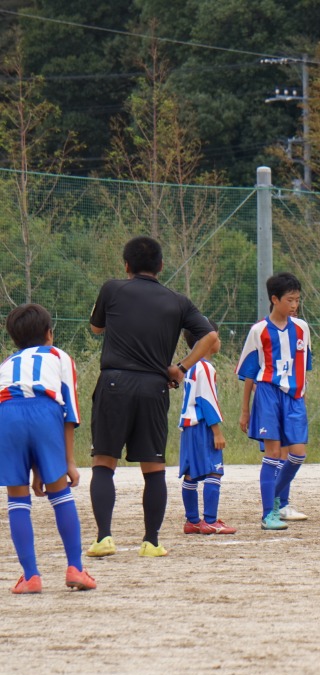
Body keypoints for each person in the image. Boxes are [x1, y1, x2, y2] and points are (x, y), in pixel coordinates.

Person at [86, 236, 219, 559]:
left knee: (104, 461)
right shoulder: (178, 301)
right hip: (154, 386)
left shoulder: (112, 289)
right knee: (153, 466)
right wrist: (180, 368)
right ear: (161, 266)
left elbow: (96, 328)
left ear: (126, 265)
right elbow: (210, 337)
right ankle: (151, 542)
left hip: (114, 382)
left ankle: (104, 538)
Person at [1, 304, 95, 594]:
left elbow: (18, 410)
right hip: (45, 411)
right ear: (49, 334)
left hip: (6, 413)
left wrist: (34, 467)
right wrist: (68, 461)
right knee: (60, 492)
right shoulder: (59, 356)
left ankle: (31, 577)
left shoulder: (7, 363)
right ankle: (75, 568)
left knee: (17, 498)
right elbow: (70, 412)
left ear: (14, 339)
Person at [237, 272, 313, 532]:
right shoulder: (258, 331)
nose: (294, 305)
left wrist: (301, 396)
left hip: (294, 398)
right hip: (268, 394)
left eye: (297, 300)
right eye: (290, 300)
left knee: (298, 454)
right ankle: (268, 513)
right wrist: (245, 410)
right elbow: (249, 373)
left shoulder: (302, 328)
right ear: (274, 299)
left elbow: (304, 366)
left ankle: (277, 500)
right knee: (272, 454)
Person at [178, 327, 237, 535]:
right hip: (202, 426)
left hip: (188, 427)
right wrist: (217, 432)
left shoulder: (189, 366)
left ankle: (192, 521)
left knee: (191, 473)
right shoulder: (205, 367)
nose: (219, 341)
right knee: (214, 470)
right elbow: (207, 401)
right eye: (217, 336)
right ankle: (210, 521)